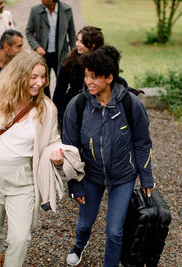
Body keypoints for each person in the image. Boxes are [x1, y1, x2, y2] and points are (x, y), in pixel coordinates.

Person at [0, 50, 83, 267]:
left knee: (20, 237)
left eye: (42, 77)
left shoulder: (47, 109)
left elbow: (53, 140)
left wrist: (58, 154)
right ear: (18, 75)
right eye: (33, 77)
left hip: (24, 179)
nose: (38, 82)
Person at [61, 45, 155, 267]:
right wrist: (75, 185)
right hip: (91, 176)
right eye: (86, 76)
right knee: (84, 224)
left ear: (109, 78)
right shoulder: (78, 105)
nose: (88, 82)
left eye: (94, 77)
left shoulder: (131, 105)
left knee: (114, 232)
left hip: (123, 176)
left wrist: (147, 177)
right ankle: (79, 246)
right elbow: (70, 149)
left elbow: (142, 144)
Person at [52, 26, 104, 128]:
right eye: (77, 40)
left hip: (96, 106)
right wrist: (56, 112)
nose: (77, 44)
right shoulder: (71, 59)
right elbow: (60, 87)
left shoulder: (103, 61)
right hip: (74, 103)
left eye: (82, 42)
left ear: (93, 45)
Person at [25, 0, 76, 98]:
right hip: (42, 55)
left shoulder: (67, 10)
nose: (42, 0)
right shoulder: (35, 10)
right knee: (42, 84)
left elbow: (72, 33)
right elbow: (29, 32)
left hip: (61, 54)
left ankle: (59, 110)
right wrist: (37, 47)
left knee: (62, 84)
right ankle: (44, 106)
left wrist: (73, 53)